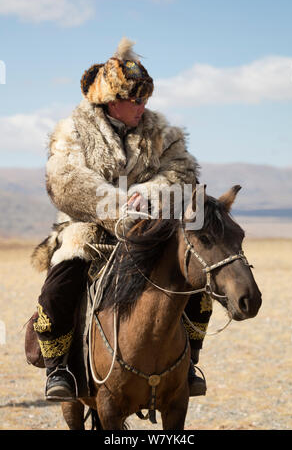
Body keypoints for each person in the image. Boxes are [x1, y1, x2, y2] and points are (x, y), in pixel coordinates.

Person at [31, 38, 212, 401]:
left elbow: (183, 172)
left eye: (146, 100)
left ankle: (188, 362)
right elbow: (66, 180)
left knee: (195, 275)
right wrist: (118, 206)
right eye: (137, 101)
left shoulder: (162, 131)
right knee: (62, 278)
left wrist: (148, 194)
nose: (144, 108)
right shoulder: (73, 131)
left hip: (151, 226)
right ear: (113, 103)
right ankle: (59, 369)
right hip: (88, 227)